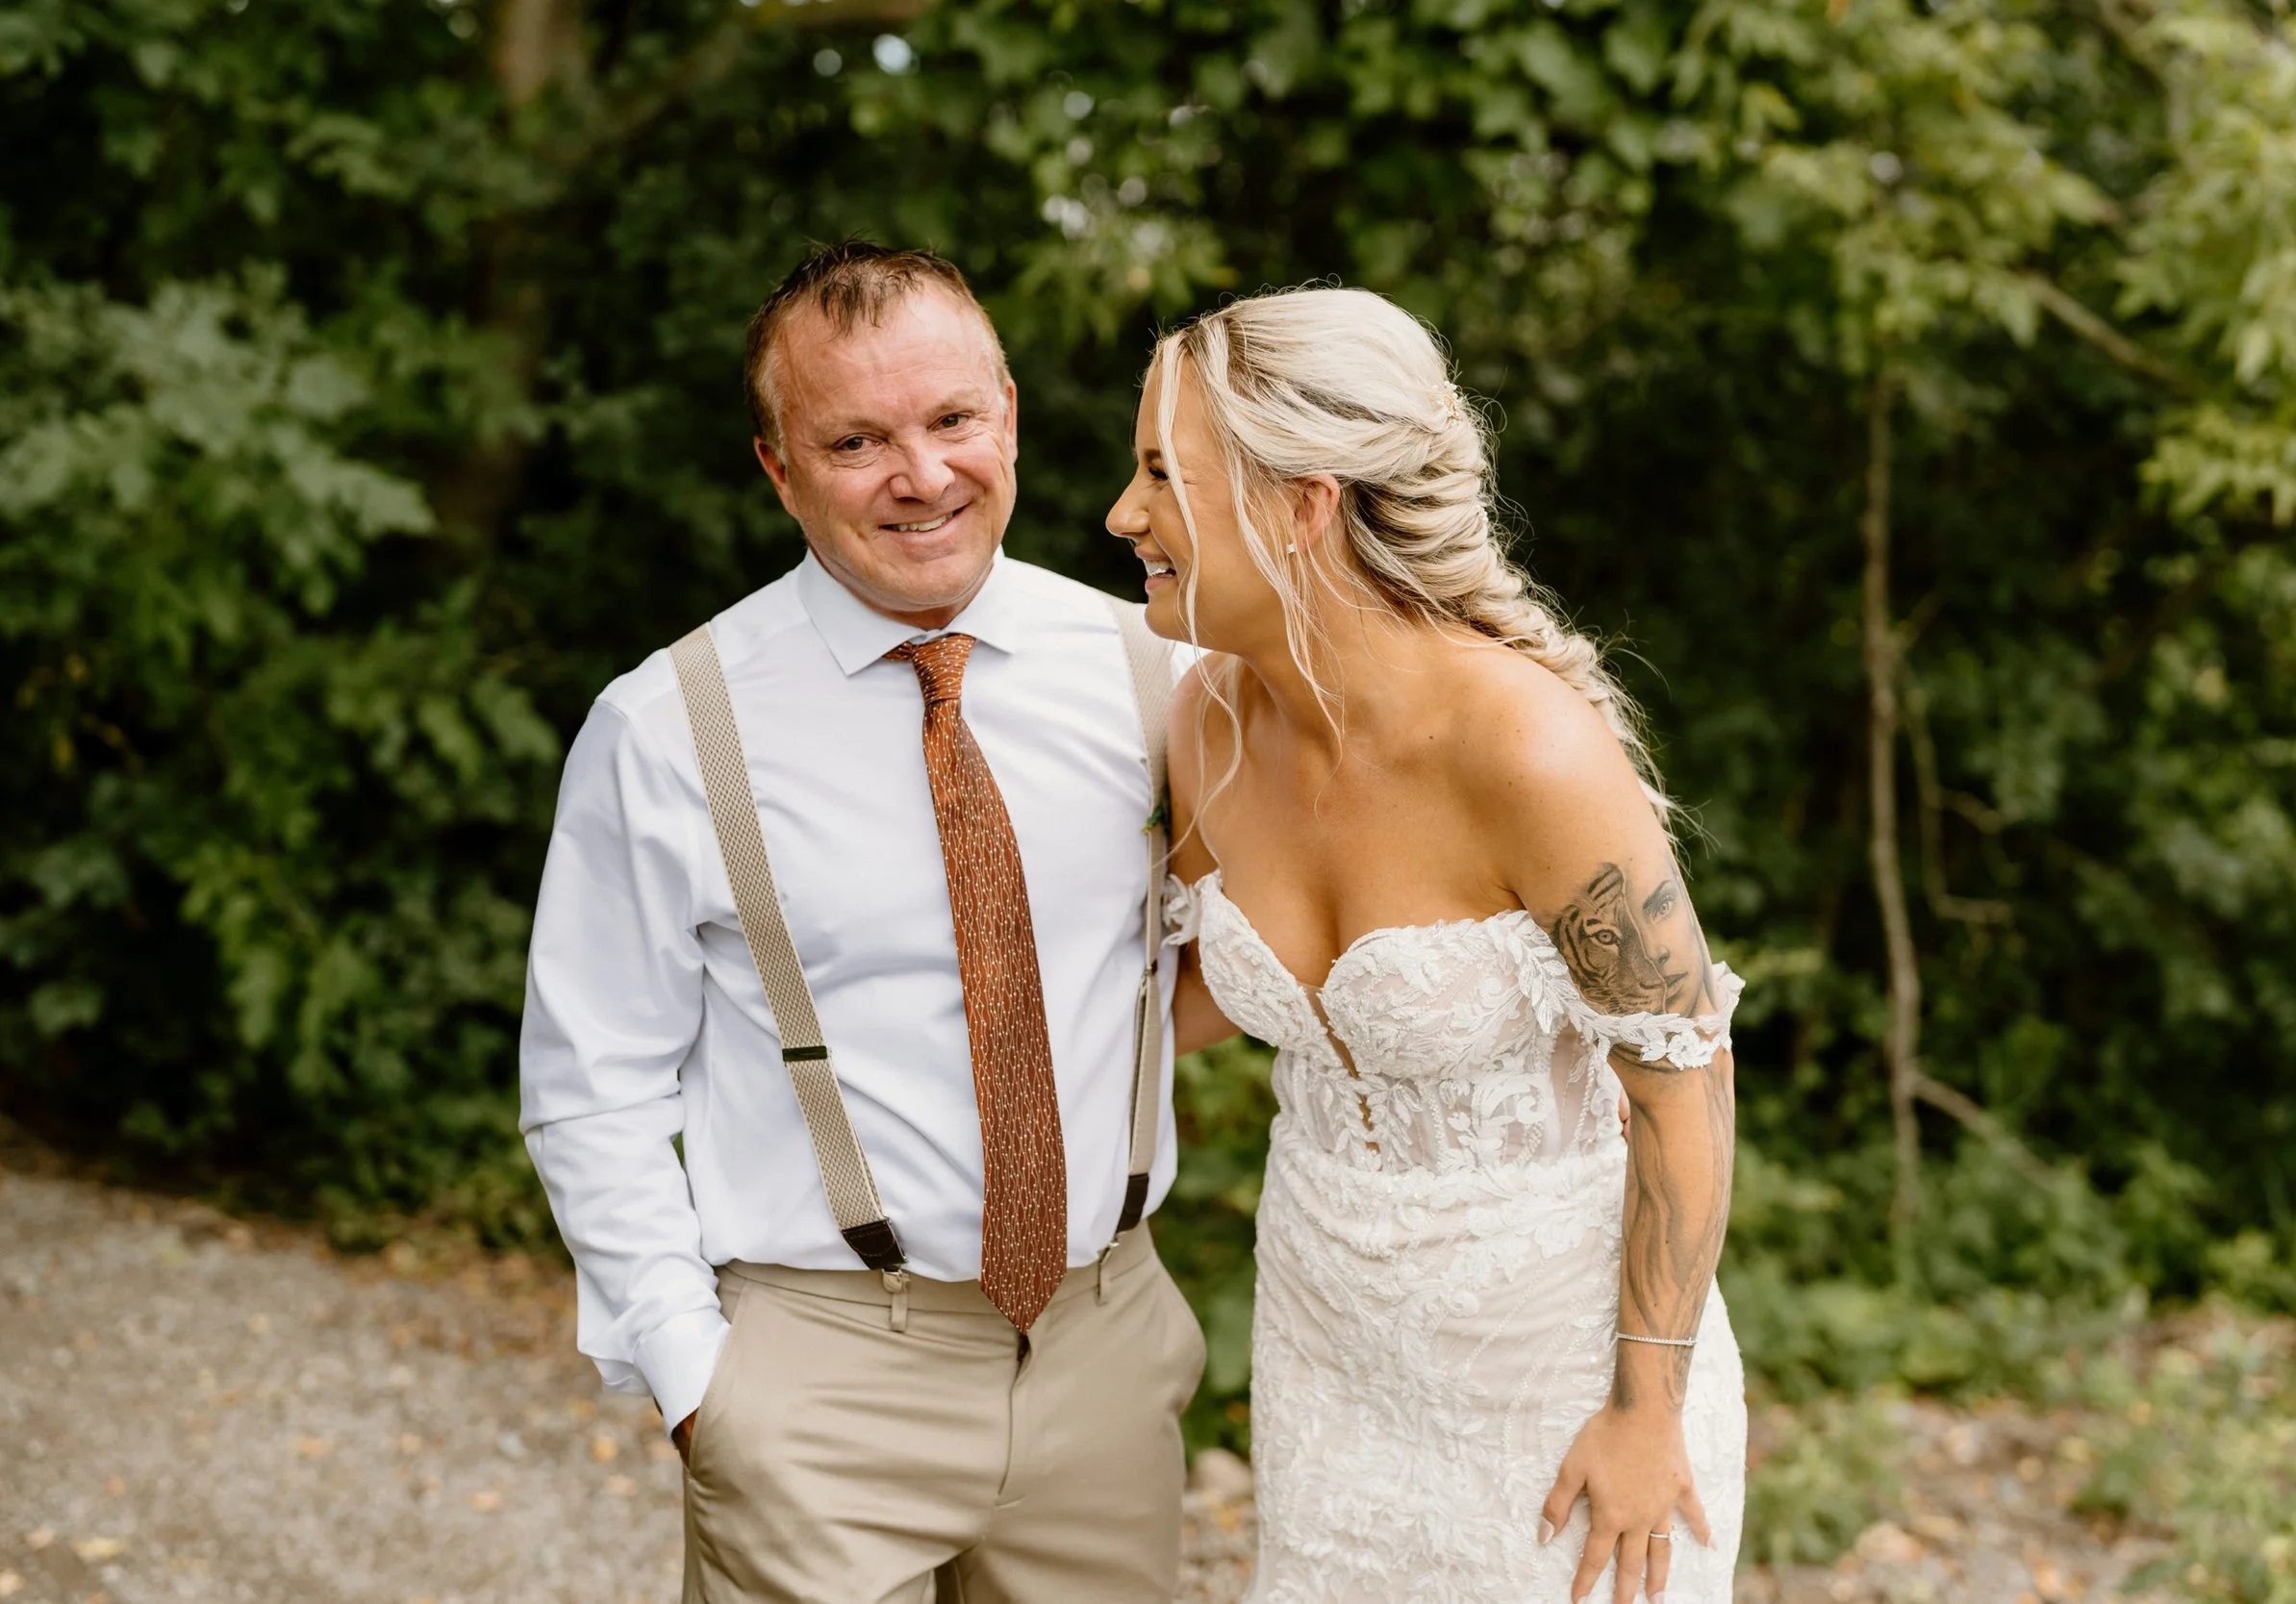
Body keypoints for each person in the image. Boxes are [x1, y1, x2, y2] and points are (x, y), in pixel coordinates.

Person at [518, 240, 1205, 1604]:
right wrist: (697, 1378)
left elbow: (1243, 962)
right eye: (856, 440)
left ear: (1007, 410)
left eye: (953, 419)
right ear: (779, 467)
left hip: (1104, 1357)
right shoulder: (665, 727)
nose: (924, 475)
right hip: (819, 1378)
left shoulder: (1162, 676)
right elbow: (589, 1083)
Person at [1104, 286, 1748, 1604]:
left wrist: (1646, 1411)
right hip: (1323, 1343)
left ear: (1304, 502)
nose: (1124, 513)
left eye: (1164, 473)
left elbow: (1685, 1084)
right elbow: (1221, 991)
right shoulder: (1208, 724)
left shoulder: (1527, 748)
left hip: (1559, 1368)